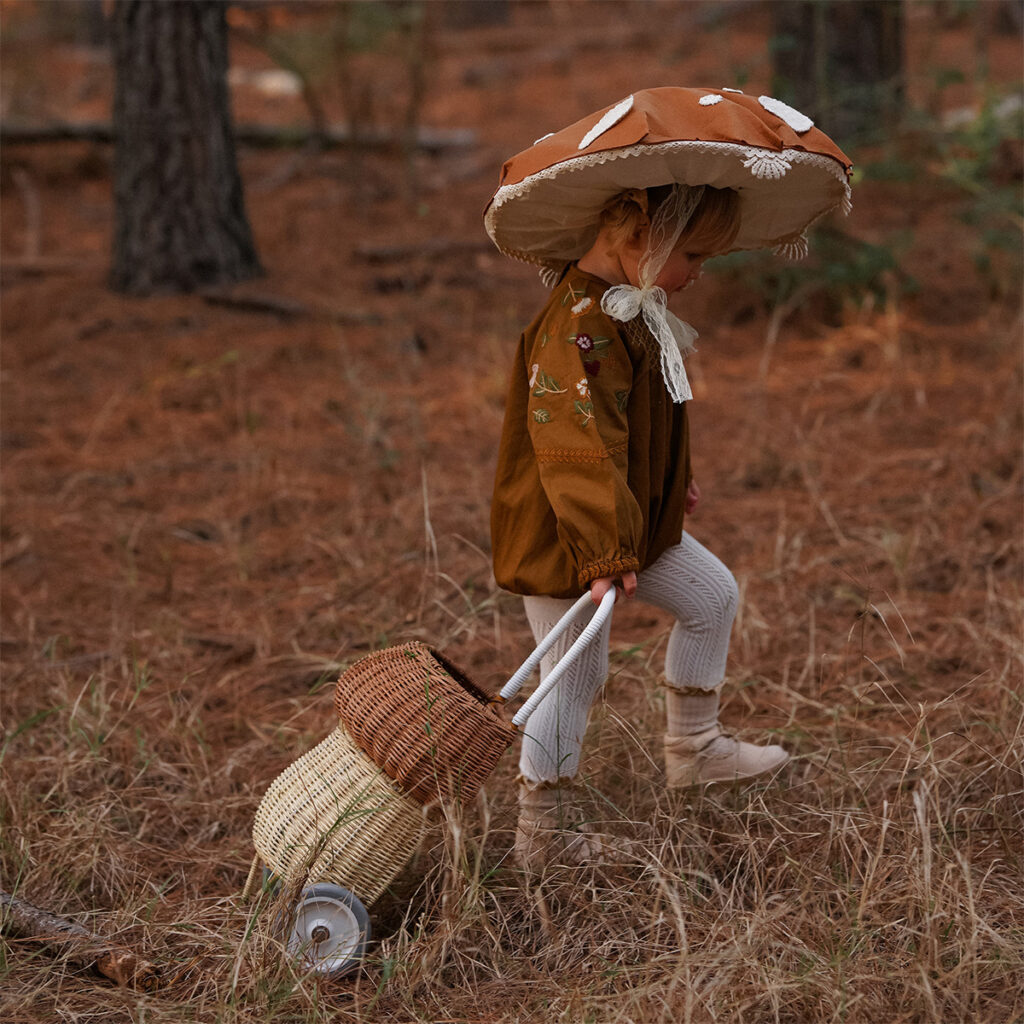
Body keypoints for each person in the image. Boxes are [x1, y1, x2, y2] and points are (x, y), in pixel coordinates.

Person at [485, 87, 852, 869]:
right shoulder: (576, 330)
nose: (697, 275)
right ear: (638, 236)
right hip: (571, 538)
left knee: (712, 596)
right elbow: (576, 450)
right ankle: (543, 836)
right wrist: (604, 550)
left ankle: (697, 751)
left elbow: (648, 423)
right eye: (693, 256)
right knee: (573, 674)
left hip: (629, 525)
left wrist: (670, 482)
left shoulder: (631, 314)